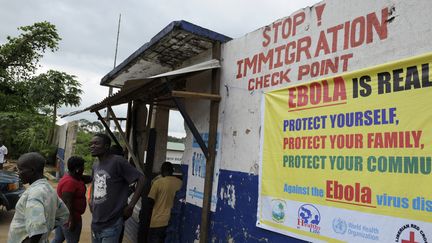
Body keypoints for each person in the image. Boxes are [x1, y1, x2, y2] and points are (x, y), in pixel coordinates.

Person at [90, 133, 145, 243]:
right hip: (96, 223)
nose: (92, 146)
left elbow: (141, 179)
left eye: (96, 143)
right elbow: (94, 183)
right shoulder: (95, 165)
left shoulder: (117, 161)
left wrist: (131, 206)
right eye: (91, 144)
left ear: (106, 146)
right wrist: (91, 200)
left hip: (112, 224)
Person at [8, 152, 69, 243]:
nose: (18, 173)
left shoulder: (34, 194)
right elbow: (64, 214)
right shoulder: (49, 189)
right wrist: (47, 227)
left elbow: (37, 229)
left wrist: (34, 237)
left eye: (20, 170)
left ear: (32, 171)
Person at [52, 156, 90, 243]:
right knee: (72, 241)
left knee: (58, 239)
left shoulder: (72, 177)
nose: (83, 168)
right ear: (77, 169)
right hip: (70, 218)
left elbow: (84, 178)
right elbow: (67, 204)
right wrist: (72, 221)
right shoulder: (70, 182)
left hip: (62, 216)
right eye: (82, 167)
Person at [147, 162, 182, 243]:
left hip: (158, 222)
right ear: (172, 171)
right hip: (174, 221)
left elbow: (150, 201)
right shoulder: (180, 183)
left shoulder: (158, 183)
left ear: (162, 171)